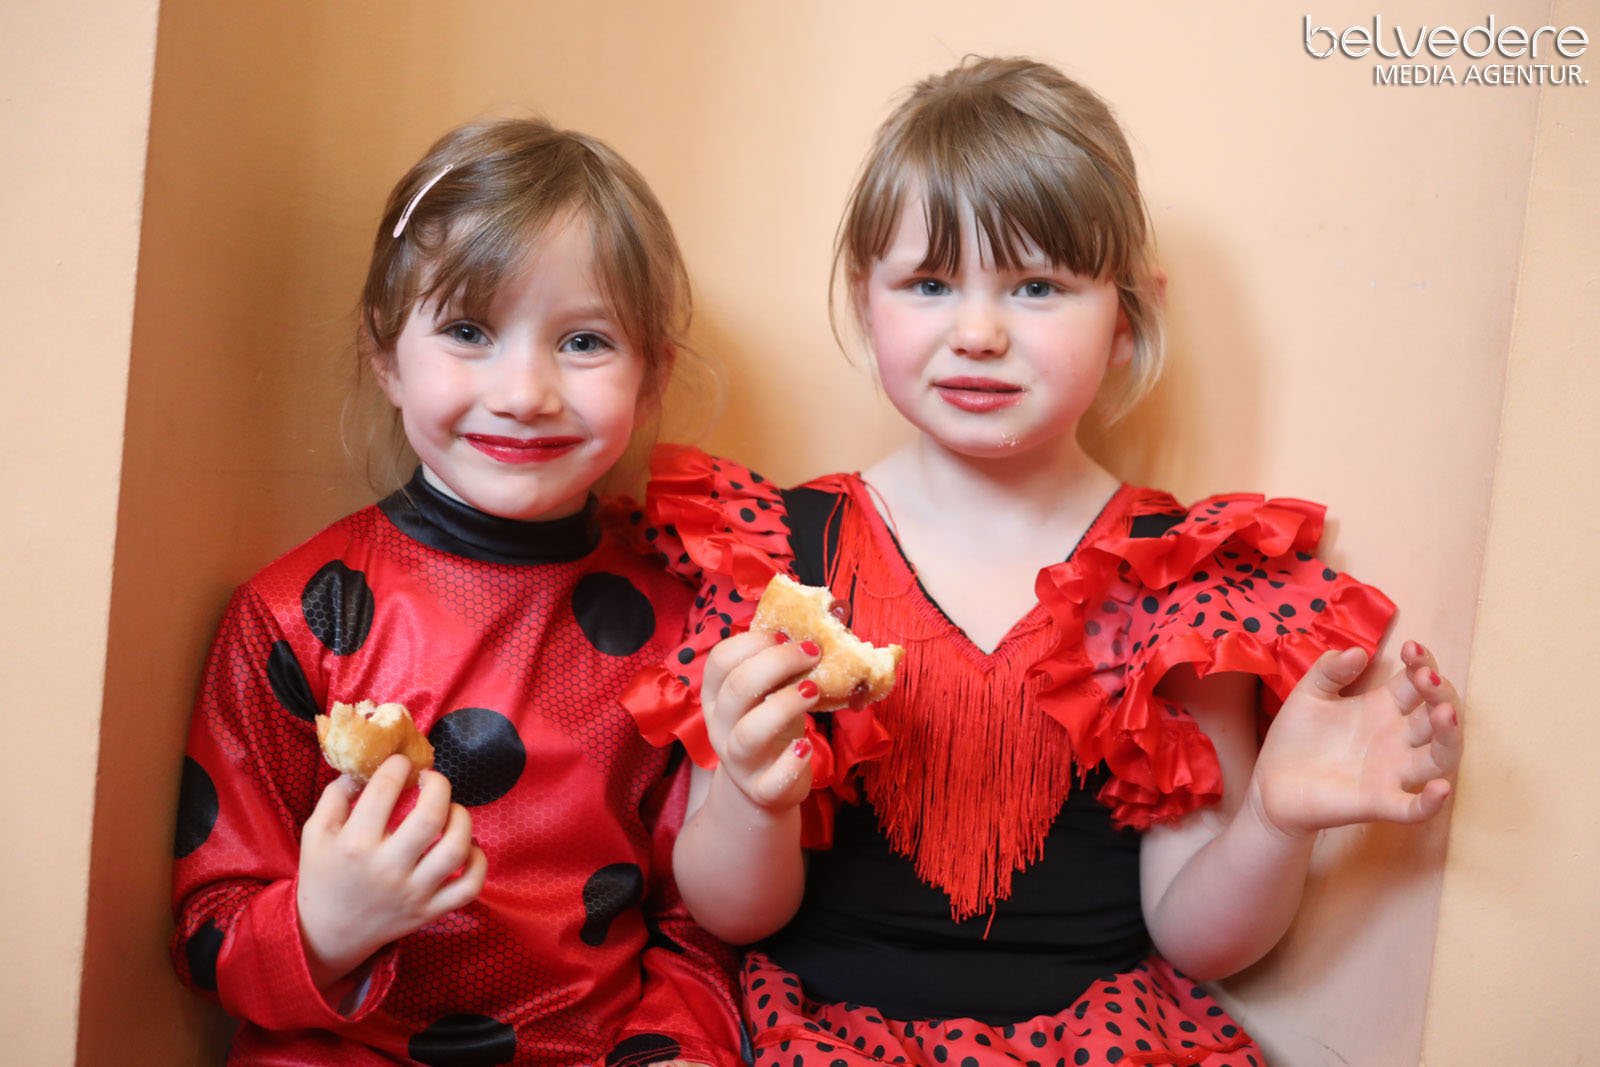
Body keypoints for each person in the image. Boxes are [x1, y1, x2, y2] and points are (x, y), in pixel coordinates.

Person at [619, 58, 1462, 1066]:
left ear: (1127, 317)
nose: (978, 333)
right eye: (930, 284)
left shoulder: (1180, 577)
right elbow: (732, 913)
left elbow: (1198, 939)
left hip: (1101, 1040)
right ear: (865, 298)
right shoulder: (770, 553)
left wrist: (1275, 822)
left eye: (1036, 287)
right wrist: (756, 796)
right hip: (818, 1032)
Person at [170, 118, 742, 1066]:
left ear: (653, 380)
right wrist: (324, 924)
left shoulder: (683, 628)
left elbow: (699, 926)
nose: (524, 392)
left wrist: (677, 1044)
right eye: (469, 331)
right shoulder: (295, 618)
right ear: (386, 353)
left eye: (584, 341)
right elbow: (209, 925)